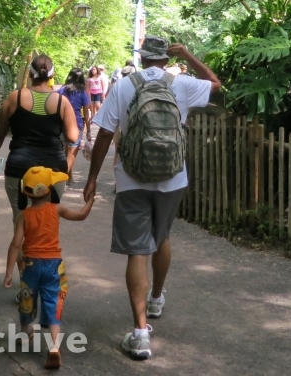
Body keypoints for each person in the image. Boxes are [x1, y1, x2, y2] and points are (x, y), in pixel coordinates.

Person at [83, 36, 221, 361]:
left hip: (131, 178)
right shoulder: (182, 83)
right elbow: (215, 83)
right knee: (162, 237)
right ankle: (157, 297)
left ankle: (140, 334)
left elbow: (104, 133)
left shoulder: (123, 85)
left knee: (136, 251)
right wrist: (187, 52)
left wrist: (91, 179)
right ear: (165, 58)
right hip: (173, 178)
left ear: (143, 58)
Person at [5, 166, 95, 369]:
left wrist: (9, 271)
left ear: (24, 191)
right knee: (53, 303)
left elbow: (15, 244)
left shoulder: (24, 216)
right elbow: (81, 215)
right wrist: (91, 201)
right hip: (55, 266)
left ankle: (26, 331)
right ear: (49, 189)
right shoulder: (57, 209)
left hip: (30, 266)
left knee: (27, 299)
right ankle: (54, 347)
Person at [0, 54, 80, 226]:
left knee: (20, 220)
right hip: (53, 170)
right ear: (52, 76)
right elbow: (73, 137)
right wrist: (69, 161)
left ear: (30, 74)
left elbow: (0, 133)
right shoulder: (62, 102)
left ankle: (21, 252)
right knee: (47, 223)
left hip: (19, 168)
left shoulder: (15, 97)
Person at [57, 68, 91, 177]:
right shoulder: (83, 93)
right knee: (71, 154)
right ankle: (62, 178)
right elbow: (86, 114)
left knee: (63, 152)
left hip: (60, 124)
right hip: (76, 125)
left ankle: (68, 176)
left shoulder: (61, 90)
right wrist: (88, 131)